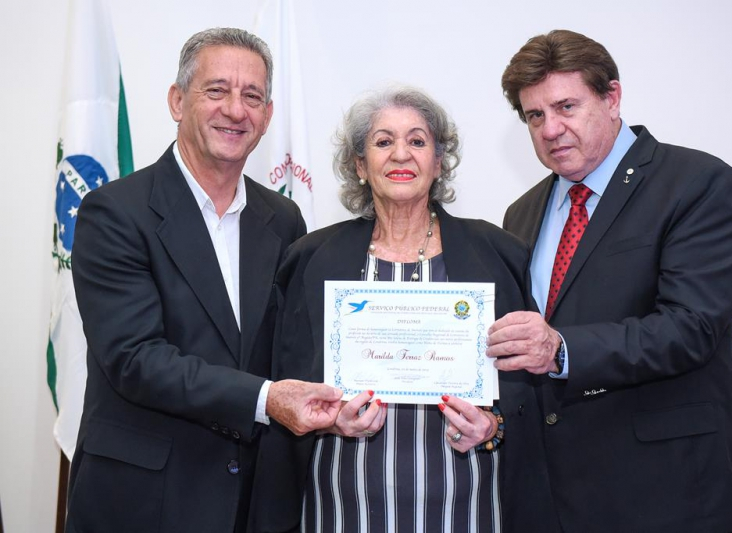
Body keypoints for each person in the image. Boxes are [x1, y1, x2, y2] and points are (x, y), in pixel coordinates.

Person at [66, 28, 342, 533]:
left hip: (252, 503)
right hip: (143, 502)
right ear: (177, 101)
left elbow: (291, 348)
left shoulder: (283, 220)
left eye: (252, 96)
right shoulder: (115, 213)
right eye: (217, 90)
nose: (235, 110)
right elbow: (136, 359)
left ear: (267, 116)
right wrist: (267, 399)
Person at [487, 29, 732, 532]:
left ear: (612, 97)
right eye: (534, 116)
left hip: (670, 495)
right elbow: (524, 354)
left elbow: (691, 327)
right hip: (555, 500)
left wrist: (562, 349)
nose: (550, 129)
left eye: (566, 106)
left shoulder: (695, 183)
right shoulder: (521, 214)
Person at [266, 86, 556, 533]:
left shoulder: (497, 253)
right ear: (360, 165)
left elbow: (526, 393)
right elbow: (285, 383)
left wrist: (491, 427)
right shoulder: (311, 258)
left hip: (467, 510)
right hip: (342, 510)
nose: (401, 154)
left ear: (438, 162)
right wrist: (327, 419)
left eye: (417, 141)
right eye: (383, 141)